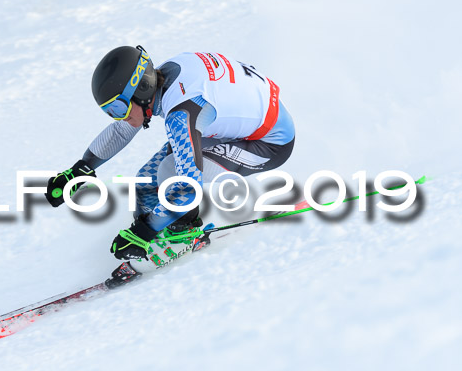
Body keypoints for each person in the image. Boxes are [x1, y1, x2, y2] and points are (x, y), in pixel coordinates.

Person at [45, 46, 295, 287]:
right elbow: (123, 129)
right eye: (110, 111)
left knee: (170, 172)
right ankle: (168, 228)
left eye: (118, 108)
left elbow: (189, 186)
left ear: (141, 88)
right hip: (231, 127)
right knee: (145, 183)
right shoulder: (165, 78)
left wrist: (143, 231)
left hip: (269, 143)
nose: (118, 116)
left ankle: (184, 234)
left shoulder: (181, 112)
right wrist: (81, 168)